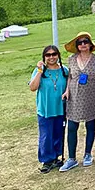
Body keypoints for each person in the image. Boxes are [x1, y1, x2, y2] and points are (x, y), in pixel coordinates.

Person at [60, 32, 95, 172]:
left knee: (90, 125)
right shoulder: (71, 59)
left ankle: (88, 154)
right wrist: (67, 90)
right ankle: (71, 158)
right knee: (72, 126)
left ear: (90, 44)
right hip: (75, 95)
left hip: (92, 95)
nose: (83, 45)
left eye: (85, 42)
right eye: (80, 43)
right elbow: (70, 77)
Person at [29, 45, 68, 173]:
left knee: (58, 134)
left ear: (58, 55)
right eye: (48, 55)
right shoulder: (40, 71)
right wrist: (40, 71)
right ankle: (47, 160)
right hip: (45, 109)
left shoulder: (64, 70)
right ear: (44, 57)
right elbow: (33, 87)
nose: (51, 57)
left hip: (60, 109)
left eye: (54, 54)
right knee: (46, 136)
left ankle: (56, 157)